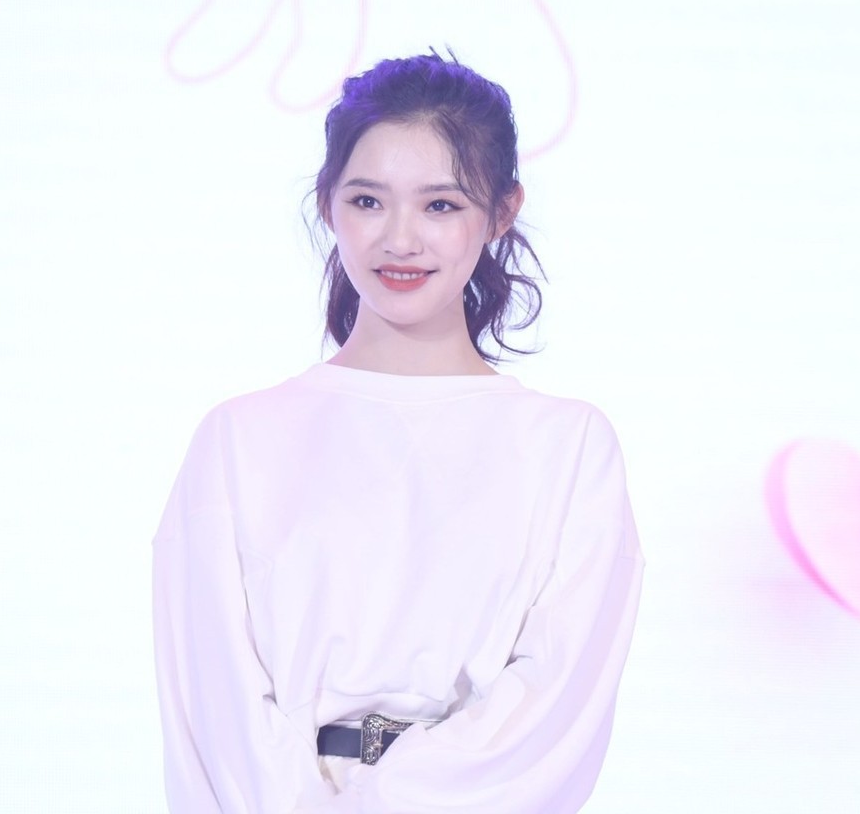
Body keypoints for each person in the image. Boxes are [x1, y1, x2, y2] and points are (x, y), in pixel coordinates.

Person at [152, 52, 644, 813]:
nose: (400, 240)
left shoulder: (568, 447)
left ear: (502, 211)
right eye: (368, 201)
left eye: (440, 205)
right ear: (328, 206)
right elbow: (211, 699)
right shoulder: (237, 441)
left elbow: (555, 701)